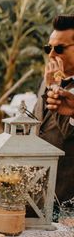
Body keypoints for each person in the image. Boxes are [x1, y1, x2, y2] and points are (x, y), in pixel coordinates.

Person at [34, 15, 74, 203]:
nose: (51, 55)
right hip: (37, 186)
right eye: (48, 48)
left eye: (59, 48)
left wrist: (53, 86)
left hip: (66, 191)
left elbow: (68, 133)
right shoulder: (49, 78)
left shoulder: (51, 80)